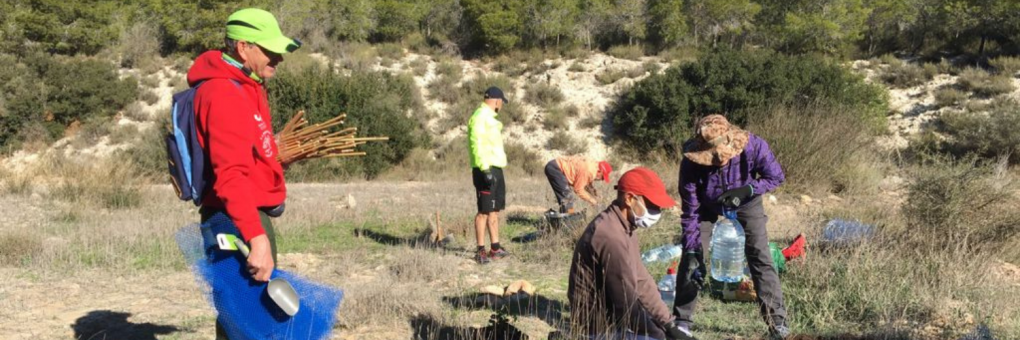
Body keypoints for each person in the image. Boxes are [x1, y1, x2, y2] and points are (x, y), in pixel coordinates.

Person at [187, 8, 300, 339]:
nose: (278, 57)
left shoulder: (248, 83)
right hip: (236, 219)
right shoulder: (223, 92)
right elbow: (230, 176)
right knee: (245, 317)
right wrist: (256, 237)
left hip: (246, 215)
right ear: (243, 47)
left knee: (247, 314)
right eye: (269, 49)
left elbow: (244, 151)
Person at [671, 114, 790, 339]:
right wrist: (693, 247)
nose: (718, 161)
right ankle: (682, 322)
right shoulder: (691, 163)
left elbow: (776, 176)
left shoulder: (754, 145)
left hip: (746, 199)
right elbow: (691, 211)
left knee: (759, 254)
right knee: (692, 258)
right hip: (706, 205)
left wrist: (748, 190)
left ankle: (778, 323)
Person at [568, 167, 694, 340]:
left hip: (616, 319)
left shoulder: (625, 227)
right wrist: (660, 334)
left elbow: (642, 281)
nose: (656, 211)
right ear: (629, 199)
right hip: (599, 328)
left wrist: (668, 324)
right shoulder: (610, 236)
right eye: (652, 205)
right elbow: (626, 304)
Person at [468, 87, 510, 264]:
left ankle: (495, 248)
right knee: (483, 212)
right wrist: (484, 169)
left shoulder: (490, 118)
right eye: (501, 102)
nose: (501, 105)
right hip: (485, 169)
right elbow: (475, 143)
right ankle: (480, 251)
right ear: (497, 100)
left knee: (494, 210)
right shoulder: (480, 116)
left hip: (496, 168)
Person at [544, 156, 612, 213]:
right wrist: (593, 202)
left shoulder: (593, 166)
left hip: (555, 167)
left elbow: (586, 185)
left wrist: (596, 196)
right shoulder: (588, 170)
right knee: (568, 198)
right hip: (555, 168)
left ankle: (563, 218)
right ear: (599, 171)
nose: (601, 179)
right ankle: (568, 220)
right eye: (602, 177)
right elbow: (578, 189)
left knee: (566, 198)